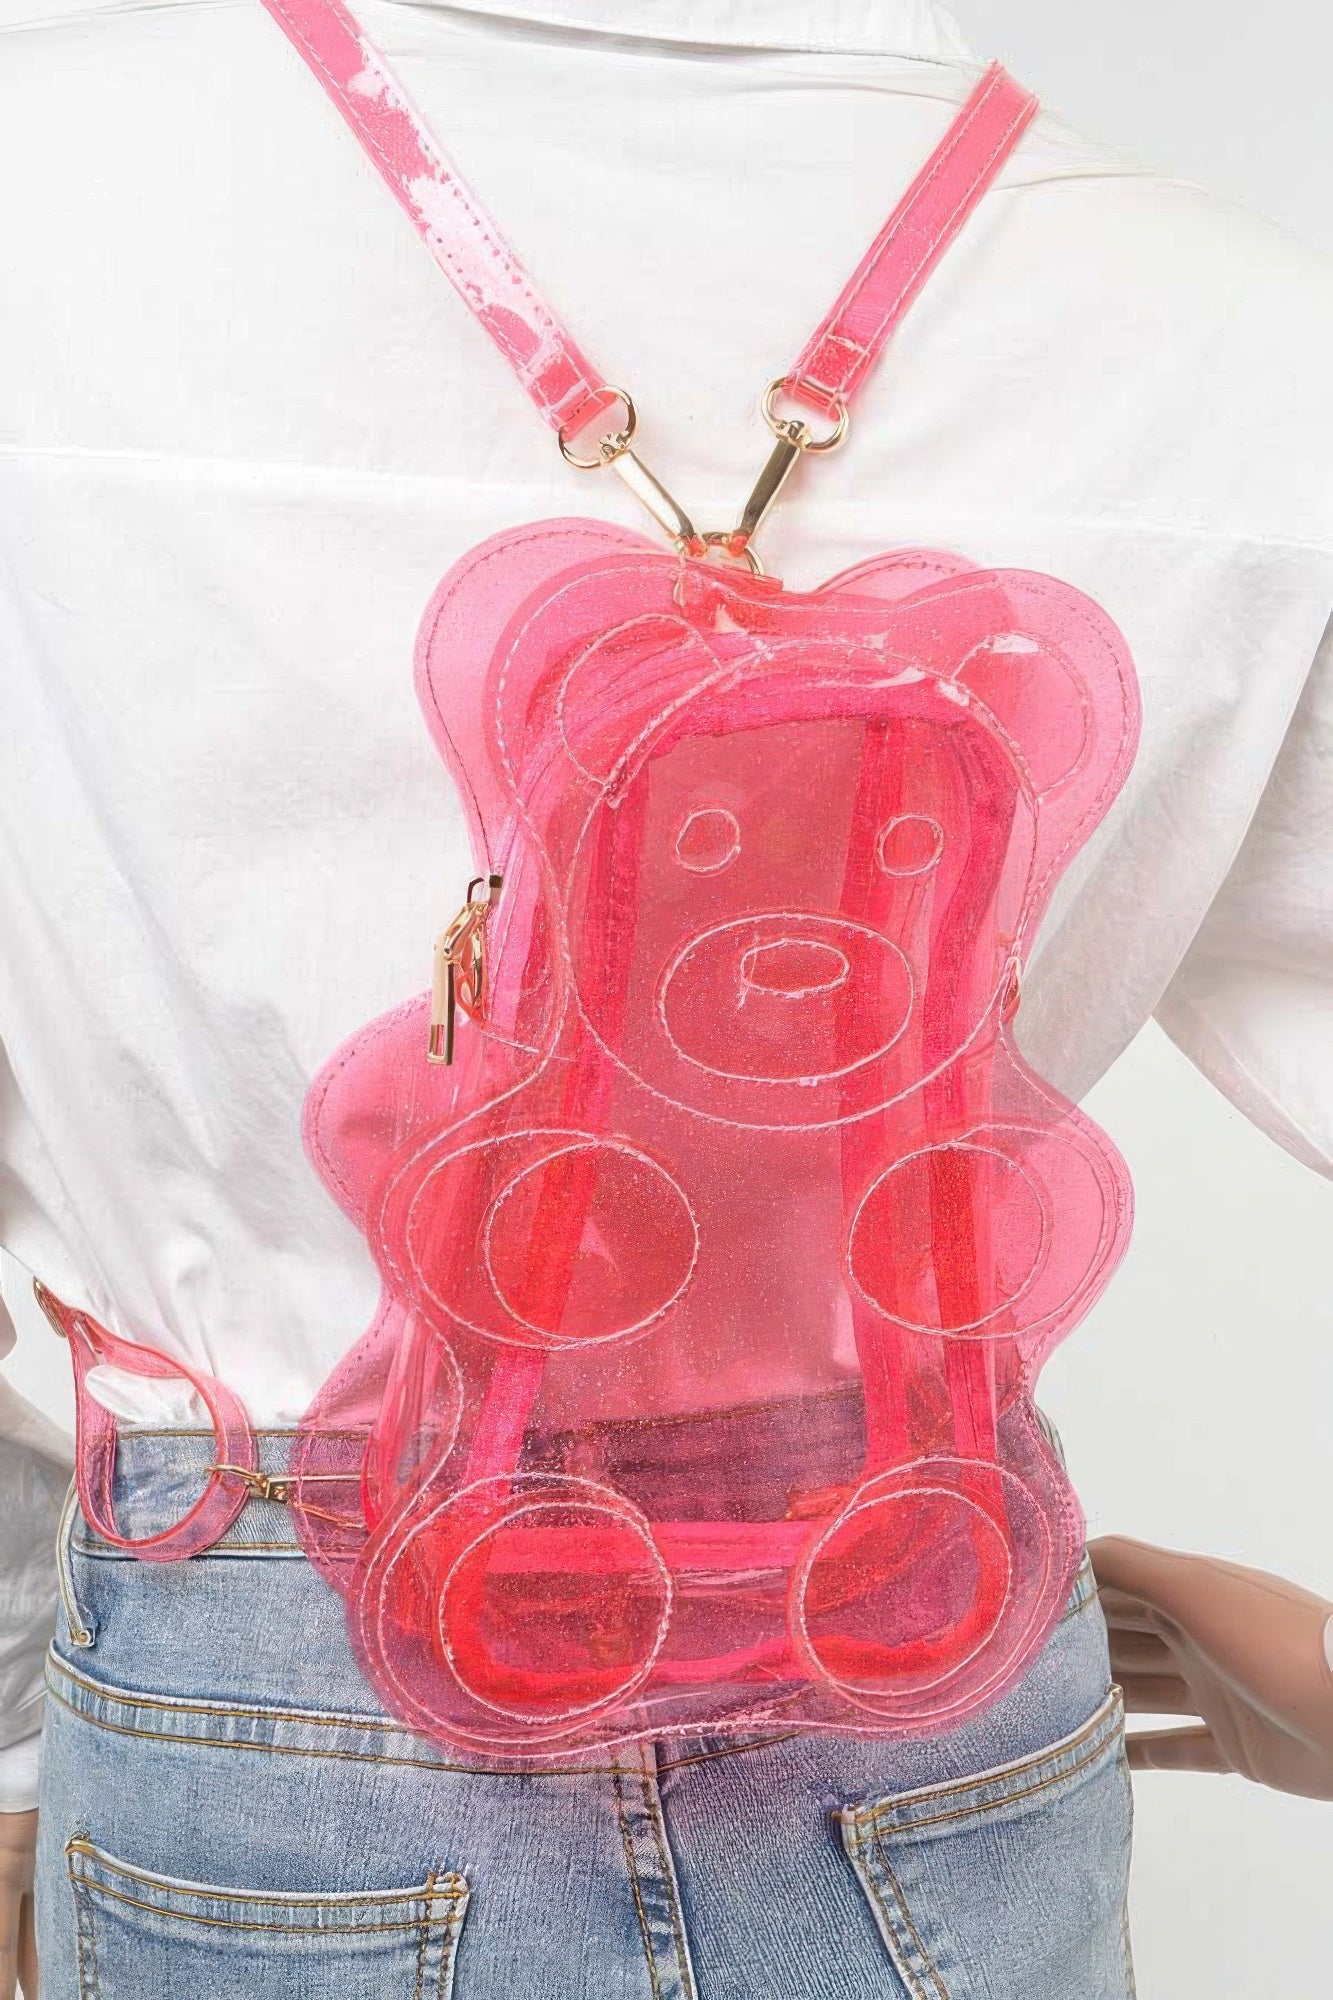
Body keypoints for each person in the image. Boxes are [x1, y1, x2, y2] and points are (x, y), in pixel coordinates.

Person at [1, 1, 1330, 1994]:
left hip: (277, 1677)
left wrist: (15, 1720)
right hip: (937, 1626)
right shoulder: (1250, 334)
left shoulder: (47, 182)